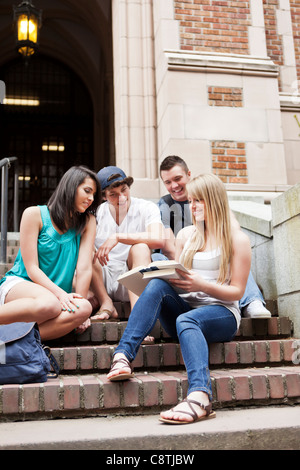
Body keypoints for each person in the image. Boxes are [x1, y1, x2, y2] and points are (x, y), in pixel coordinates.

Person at [106, 173, 251, 424]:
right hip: (186, 310)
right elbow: (182, 280)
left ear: (214, 201)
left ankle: (200, 396)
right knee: (157, 284)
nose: (191, 206)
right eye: (191, 200)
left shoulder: (237, 239)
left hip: (222, 314)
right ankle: (123, 356)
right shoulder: (187, 236)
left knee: (187, 321)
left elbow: (237, 292)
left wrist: (200, 284)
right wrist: (174, 279)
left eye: (198, 201)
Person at [153, 155, 271, 319]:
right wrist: (188, 266)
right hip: (181, 259)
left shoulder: (210, 196)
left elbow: (232, 233)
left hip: (211, 257)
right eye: (167, 182)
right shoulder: (165, 204)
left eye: (177, 178)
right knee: (155, 257)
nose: (174, 186)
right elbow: (168, 245)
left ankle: (252, 301)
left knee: (232, 252)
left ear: (189, 174)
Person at [0, 166, 101, 340]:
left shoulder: (88, 222)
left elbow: (84, 268)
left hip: (56, 298)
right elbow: (32, 268)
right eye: (87, 191)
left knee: (84, 307)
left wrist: (79, 303)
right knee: (50, 304)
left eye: (94, 195)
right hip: (22, 285)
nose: (91, 199)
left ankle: (18, 341)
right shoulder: (34, 214)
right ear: (71, 187)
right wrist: (60, 294)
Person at [89, 166, 166, 322]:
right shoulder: (95, 213)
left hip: (133, 278)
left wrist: (119, 237)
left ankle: (138, 319)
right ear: (103, 196)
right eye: (113, 194)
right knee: (85, 251)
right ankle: (105, 302)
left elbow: (159, 239)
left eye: (124, 190)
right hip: (102, 280)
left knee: (141, 248)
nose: (122, 197)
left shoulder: (146, 207)